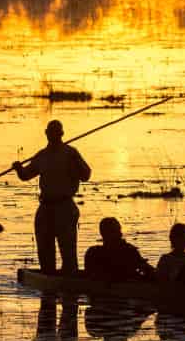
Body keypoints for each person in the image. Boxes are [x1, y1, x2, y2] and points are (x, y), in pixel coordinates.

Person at [13, 119, 92, 275]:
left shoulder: (71, 153)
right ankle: (48, 282)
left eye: (56, 132)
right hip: (45, 208)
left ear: (61, 134)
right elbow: (26, 175)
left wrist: (76, 162)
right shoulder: (42, 156)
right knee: (45, 252)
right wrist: (18, 169)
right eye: (51, 132)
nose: (53, 135)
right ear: (46, 134)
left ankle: (69, 284)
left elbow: (86, 175)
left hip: (65, 208)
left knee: (68, 254)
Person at [83, 217, 155, 281]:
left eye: (119, 230)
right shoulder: (127, 250)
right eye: (117, 231)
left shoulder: (92, 252)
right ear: (106, 234)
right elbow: (147, 269)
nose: (121, 234)